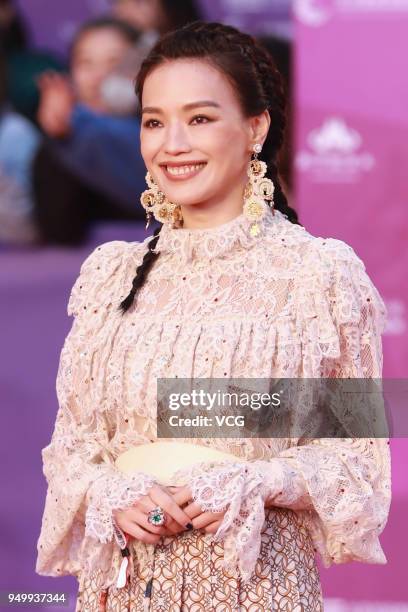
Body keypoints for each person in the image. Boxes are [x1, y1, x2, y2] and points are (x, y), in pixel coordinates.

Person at [35, 21, 391, 611]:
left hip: (255, 587)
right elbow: (72, 448)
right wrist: (108, 491)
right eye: (154, 121)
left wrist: (254, 481)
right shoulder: (110, 275)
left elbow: (355, 464)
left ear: (256, 126)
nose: (172, 143)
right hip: (122, 589)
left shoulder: (319, 275)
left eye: (199, 118)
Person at [32, 18, 147, 246]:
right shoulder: (59, 142)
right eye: (86, 63)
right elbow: (59, 230)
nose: (99, 76)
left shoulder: (168, 137)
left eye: (115, 62)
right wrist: (60, 138)